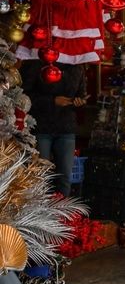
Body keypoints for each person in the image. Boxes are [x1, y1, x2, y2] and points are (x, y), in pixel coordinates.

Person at [20, 61, 87, 197]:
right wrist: (52, 101)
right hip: (40, 127)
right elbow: (24, 96)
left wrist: (80, 102)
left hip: (66, 127)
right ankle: (38, 212)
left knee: (65, 176)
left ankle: (61, 213)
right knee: (40, 174)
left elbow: (81, 94)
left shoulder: (77, 67)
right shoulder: (37, 63)